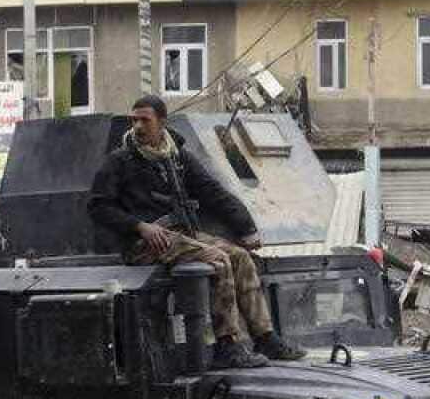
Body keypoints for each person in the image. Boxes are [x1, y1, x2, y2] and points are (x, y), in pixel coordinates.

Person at [88, 95, 305, 369]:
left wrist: (246, 227)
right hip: (143, 243)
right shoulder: (120, 161)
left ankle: (265, 337)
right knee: (217, 259)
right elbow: (98, 207)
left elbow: (211, 190)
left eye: (145, 120)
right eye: (135, 120)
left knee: (240, 257)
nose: (139, 126)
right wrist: (139, 226)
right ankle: (227, 344)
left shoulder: (176, 157)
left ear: (162, 122)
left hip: (181, 235)